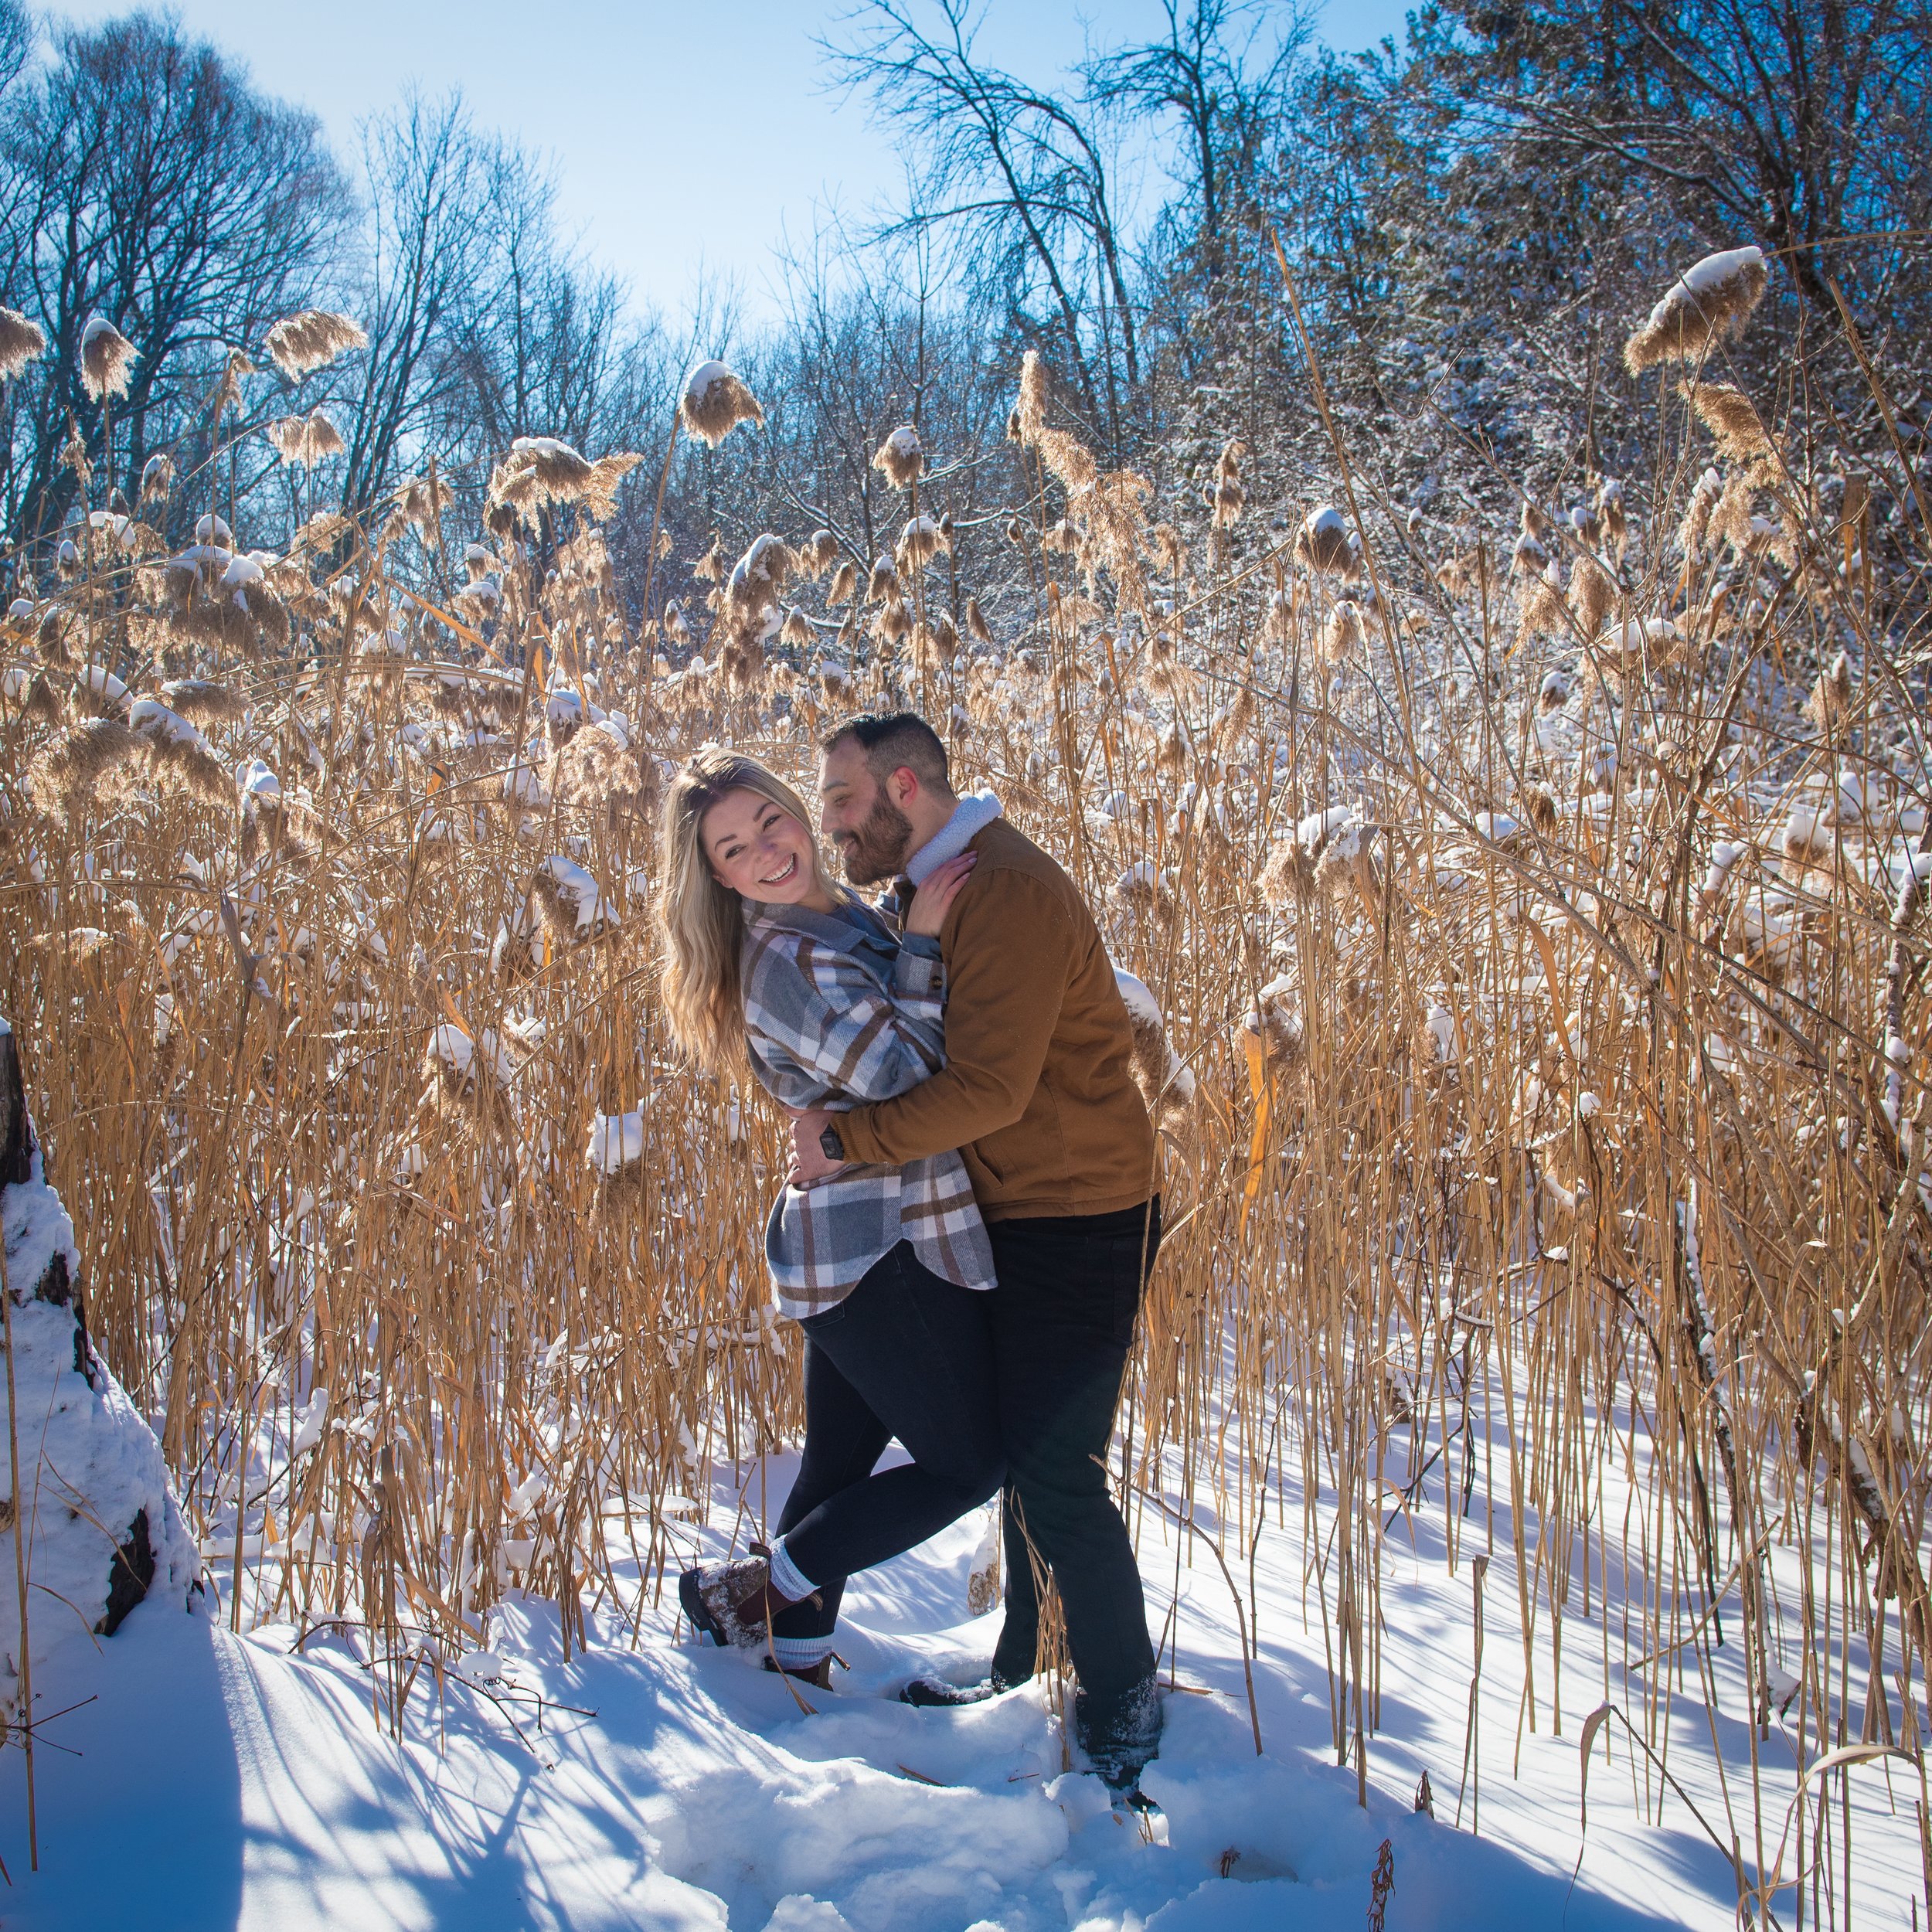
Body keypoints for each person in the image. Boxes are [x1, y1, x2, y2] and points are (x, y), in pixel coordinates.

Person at [786, 711, 1165, 1793]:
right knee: (1020, 1443)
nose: (833, 830)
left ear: (905, 788)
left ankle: (1122, 1708)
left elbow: (988, 1089)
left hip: (1081, 1216)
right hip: (1017, 1211)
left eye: (846, 803)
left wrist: (846, 1140)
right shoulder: (935, 891)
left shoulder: (1003, 893)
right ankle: (1025, 1667)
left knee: (1054, 1470)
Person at [656, 746, 1000, 1689]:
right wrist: (924, 941)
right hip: (869, 1249)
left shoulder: (837, 911)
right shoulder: (784, 960)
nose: (767, 851)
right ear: (718, 877)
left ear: (794, 811)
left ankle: (788, 1660)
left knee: (838, 1470)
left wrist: (902, 923)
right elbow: (910, 1079)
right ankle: (748, 1593)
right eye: (734, 848)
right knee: (971, 1461)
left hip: (852, 1239)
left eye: (770, 821)